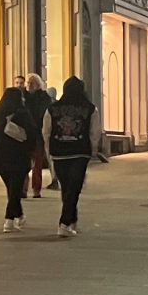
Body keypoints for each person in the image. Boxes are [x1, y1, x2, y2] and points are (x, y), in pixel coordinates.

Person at [42, 76, 101, 237]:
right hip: (80, 152)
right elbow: (95, 132)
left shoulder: (52, 109)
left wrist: (49, 149)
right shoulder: (90, 108)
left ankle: (71, 219)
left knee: (67, 187)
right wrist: (93, 148)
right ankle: (64, 222)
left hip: (59, 152)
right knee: (74, 187)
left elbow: (46, 131)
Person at [0, 88, 39, 232]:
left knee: (12, 188)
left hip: (0, 157)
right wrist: (33, 151)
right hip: (19, 156)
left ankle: (19, 215)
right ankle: (8, 220)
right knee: (15, 189)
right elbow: (32, 133)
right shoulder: (22, 112)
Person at [24, 74, 53, 198]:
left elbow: (45, 115)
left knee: (37, 164)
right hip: (25, 135)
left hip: (38, 135)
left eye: (33, 83)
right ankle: (23, 189)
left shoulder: (43, 98)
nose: (30, 85)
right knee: (24, 163)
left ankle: (36, 189)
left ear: (38, 84)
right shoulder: (23, 97)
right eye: (28, 83)